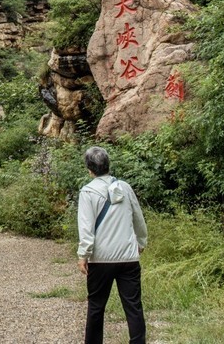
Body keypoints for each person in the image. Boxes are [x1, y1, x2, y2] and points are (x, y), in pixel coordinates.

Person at [76, 146, 148, 344]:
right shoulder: (125, 187)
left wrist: (83, 255)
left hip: (101, 260)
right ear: (108, 165)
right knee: (133, 306)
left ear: (89, 169)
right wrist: (141, 242)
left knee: (96, 307)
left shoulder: (88, 192)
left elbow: (86, 228)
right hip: (128, 258)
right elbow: (138, 218)